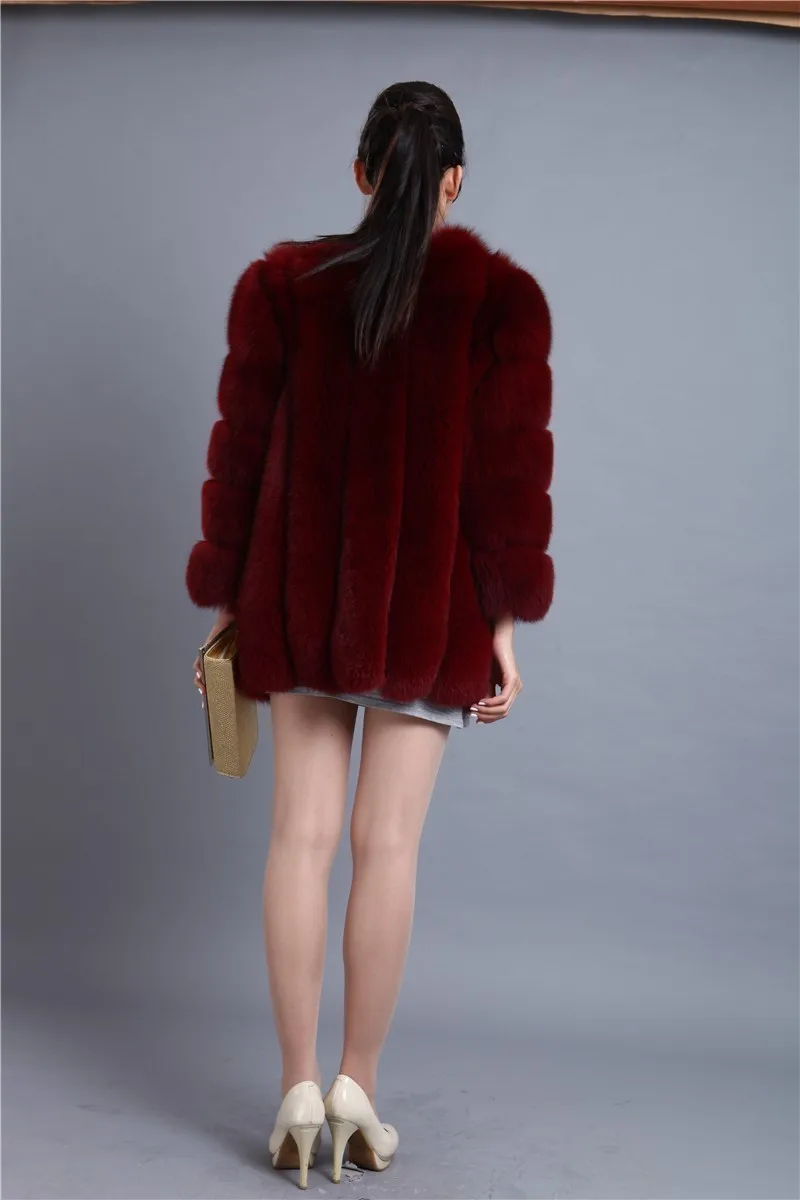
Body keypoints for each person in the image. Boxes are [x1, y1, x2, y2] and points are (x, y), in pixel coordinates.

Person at [186, 80, 554, 1189]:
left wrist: (228, 611)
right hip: (427, 613)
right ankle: (358, 1091)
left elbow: (239, 455)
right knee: (386, 848)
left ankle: (296, 1091)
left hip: (297, 602)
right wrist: (504, 627)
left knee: (297, 840)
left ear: (359, 173)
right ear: (454, 183)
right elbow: (506, 486)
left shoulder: (280, 286)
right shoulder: (500, 301)